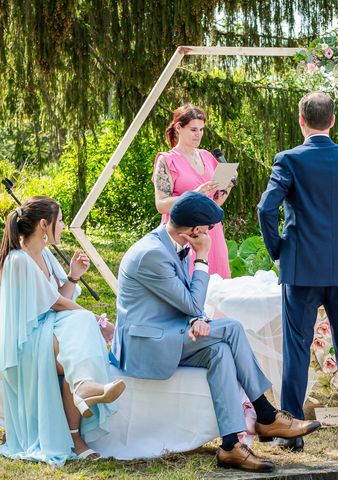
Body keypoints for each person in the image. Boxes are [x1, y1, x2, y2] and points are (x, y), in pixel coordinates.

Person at [111, 191, 320, 473]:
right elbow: (192, 300)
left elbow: (185, 301)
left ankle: (231, 446)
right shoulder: (152, 254)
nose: (209, 234)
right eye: (209, 229)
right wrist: (203, 257)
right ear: (196, 230)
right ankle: (266, 414)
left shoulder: (167, 244)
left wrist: (198, 318)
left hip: (168, 332)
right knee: (231, 328)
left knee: (219, 351)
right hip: (146, 346)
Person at [258, 92, 338, 452]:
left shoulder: (289, 160)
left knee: (297, 348)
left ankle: (292, 432)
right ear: (333, 121)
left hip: (301, 268)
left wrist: (280, 251)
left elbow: (267, 209)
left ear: (301, 120)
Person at [0, 197, 125, 465]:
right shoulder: (18, 260)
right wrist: (98, 321)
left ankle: (80, 404)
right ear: (44, 224)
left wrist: (73, 276)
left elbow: (56, 297)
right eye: (61, 221)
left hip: (47, 331)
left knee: (75, 346)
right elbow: (55, 303)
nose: (65, 226)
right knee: (80, 325)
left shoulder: (43, 254)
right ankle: (84, 387)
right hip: (27, 342)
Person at [153, 104, 235, 278]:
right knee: (188, 286)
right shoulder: (167, 160)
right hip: (183, 233)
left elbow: (214, 203)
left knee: (217, 289)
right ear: (178, 128)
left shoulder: (207, 156)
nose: (198, 134)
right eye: (193, 130)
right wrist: (193, 196)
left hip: (212, 232)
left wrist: (227, 186)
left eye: (201, 129)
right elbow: (161, 205)